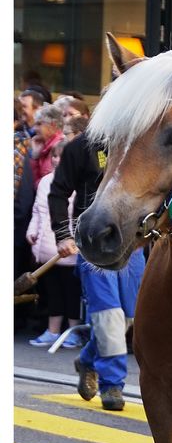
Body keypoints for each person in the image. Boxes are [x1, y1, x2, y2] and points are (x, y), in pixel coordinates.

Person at [48, 131, 145, 410]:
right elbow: (58, 192)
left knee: (129, 315)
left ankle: (89, 359)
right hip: (93, 244)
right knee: (108, 317)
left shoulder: (140, 140)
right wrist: (63, 235)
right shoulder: (80, 147)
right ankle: (112, 385)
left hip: (132, 244)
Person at [26, 140, 82, 347]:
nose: (57, 160)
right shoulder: (44, 182)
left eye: (61, 156)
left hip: (68, 251)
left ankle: (73, 331)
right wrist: (32, 231)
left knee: (71, 292)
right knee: (52, 292)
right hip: (45, 250)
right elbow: (37, 212)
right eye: (54, 156)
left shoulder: (79, 182)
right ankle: (53, 330)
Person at [29, 104, 64, 186]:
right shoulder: (43, 145)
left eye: (39, 124)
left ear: (53, 125)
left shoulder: (60, 147)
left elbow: (47, 184)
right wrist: (35, 155)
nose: (34, 129)